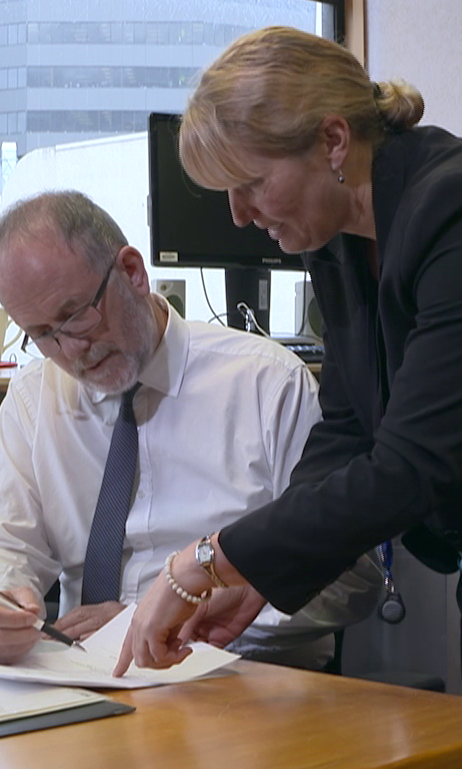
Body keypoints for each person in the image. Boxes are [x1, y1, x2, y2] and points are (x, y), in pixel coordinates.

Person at [115, 25, 462, 676]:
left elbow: (413, 462)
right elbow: (347, 428)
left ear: (333, 140)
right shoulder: (336, 241)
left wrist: (211, 556)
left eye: (248, 183)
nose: (238, 216)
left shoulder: (448, 207)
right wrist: (263, 571)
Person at [0, 189, 382, 670]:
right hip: (85, 684)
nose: (72, 351)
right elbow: (3, 545)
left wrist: (157, 619)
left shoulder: (266, 384)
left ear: (132, 273)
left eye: (76, 316)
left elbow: (353, 582)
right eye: (43, 335)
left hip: (244, 686)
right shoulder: (36, 396)